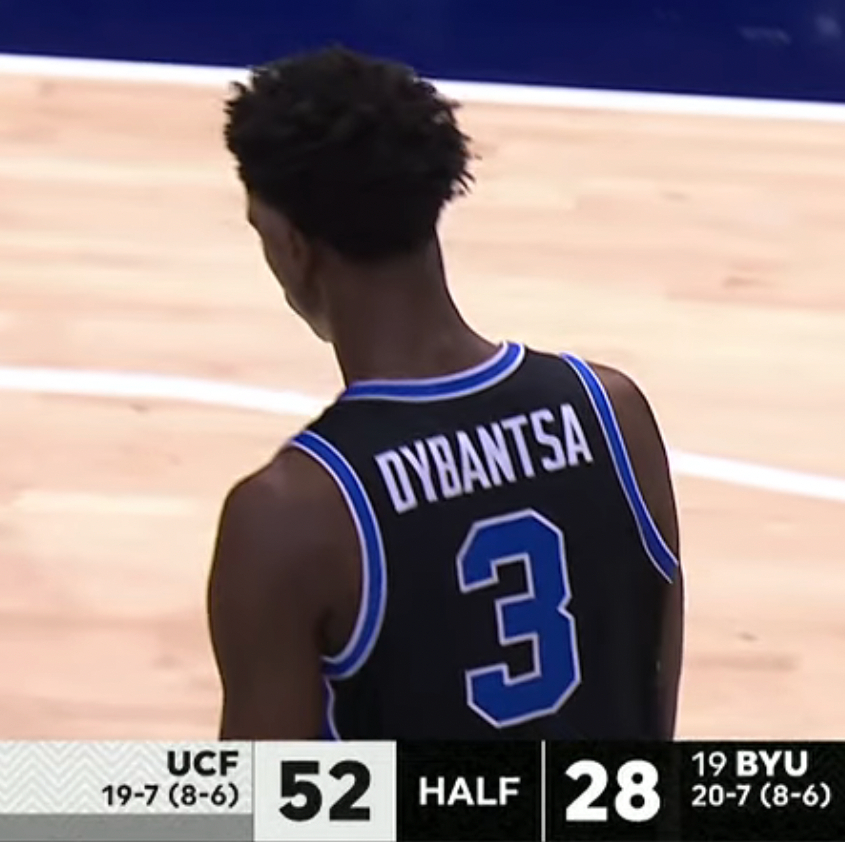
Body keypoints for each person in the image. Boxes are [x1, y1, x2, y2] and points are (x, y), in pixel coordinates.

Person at [209, 45, 683, 740]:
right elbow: (652, 716)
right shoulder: (614, 416)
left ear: (291, 246)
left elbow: (262, 796)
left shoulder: (292, 516)